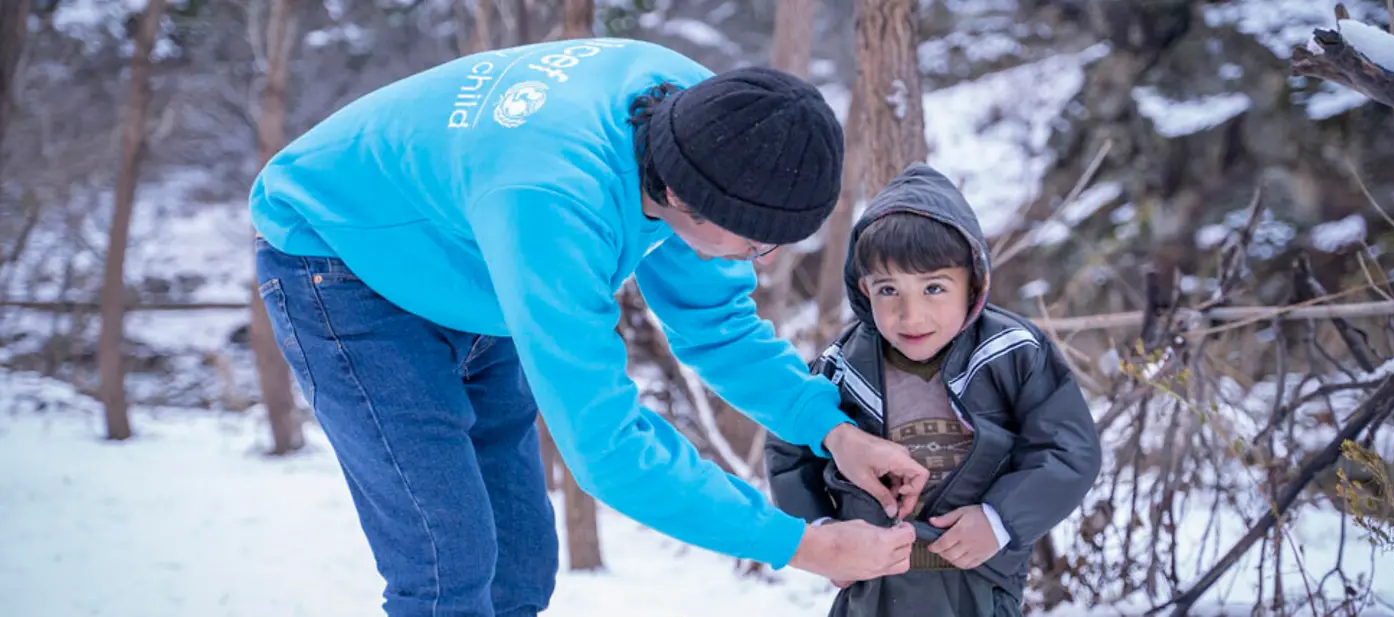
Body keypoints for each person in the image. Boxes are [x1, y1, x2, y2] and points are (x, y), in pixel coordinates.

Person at [248, 36, 928, 617]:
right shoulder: (554, 200)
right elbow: (607, 451)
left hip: (473, 258)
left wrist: (834, 432)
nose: (766, 258)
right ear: (687, 197)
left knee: (519, 563)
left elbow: (716, 323)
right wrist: (803, 546)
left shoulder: (712, 123)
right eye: (756, 243)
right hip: (342, 261)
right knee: (446, 564)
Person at [765, 162, 1103, 617]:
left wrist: (1000, 520)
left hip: (980, 580)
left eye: (934, 288)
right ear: (864, 288)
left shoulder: (1012, 352)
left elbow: (1068, 447)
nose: (911, 316)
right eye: (888, 290)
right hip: (875, 584)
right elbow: (791, 447)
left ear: (973, 282)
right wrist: (822, 534)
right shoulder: (842, 366)